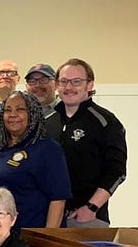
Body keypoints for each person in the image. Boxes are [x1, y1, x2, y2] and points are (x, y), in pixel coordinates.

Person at [45, 58, 127, 227]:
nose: (69, 87)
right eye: (64, 81)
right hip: (49, 217)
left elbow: (117, 172)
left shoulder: (106, 122)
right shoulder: (47, 121)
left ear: (89, 85)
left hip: (88, 217)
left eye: (76, 82)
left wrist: (91, 207)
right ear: (57, 85)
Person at [0, 91, 70, 229]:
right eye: (8, 110)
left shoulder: (47, 149)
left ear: (33, 114)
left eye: (20, 109)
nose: (13, 115)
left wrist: (48, 239)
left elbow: (58, 199)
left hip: (31, 236)